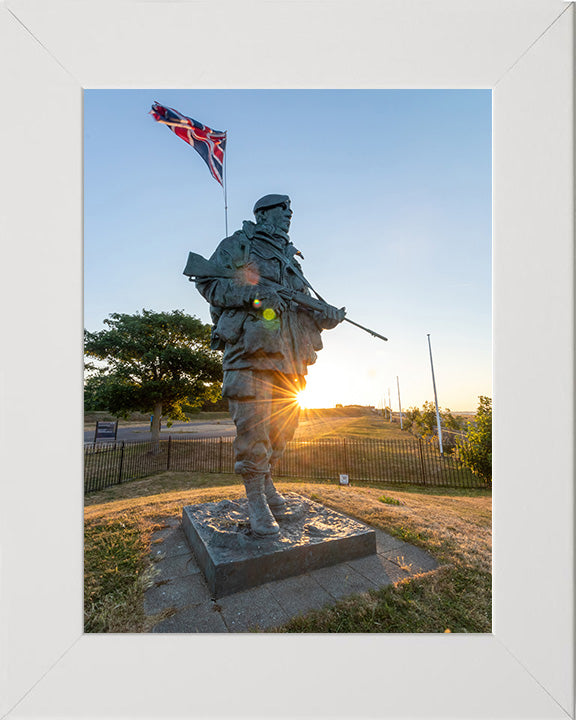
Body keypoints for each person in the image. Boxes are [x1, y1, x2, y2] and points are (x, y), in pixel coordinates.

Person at [195, 194, 346, 537]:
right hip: (249, 355)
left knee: (282, 429)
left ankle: (267, 485)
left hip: (289, 360)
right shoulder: (240, 245)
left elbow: (300, 305)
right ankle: (255, 501)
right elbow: (209, 282)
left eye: (290, 211)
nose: (289, 215)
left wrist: (325, 318)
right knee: (254, 428)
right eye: (282, 211)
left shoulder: (290, 259)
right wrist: (254, 295)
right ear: (263, 214)